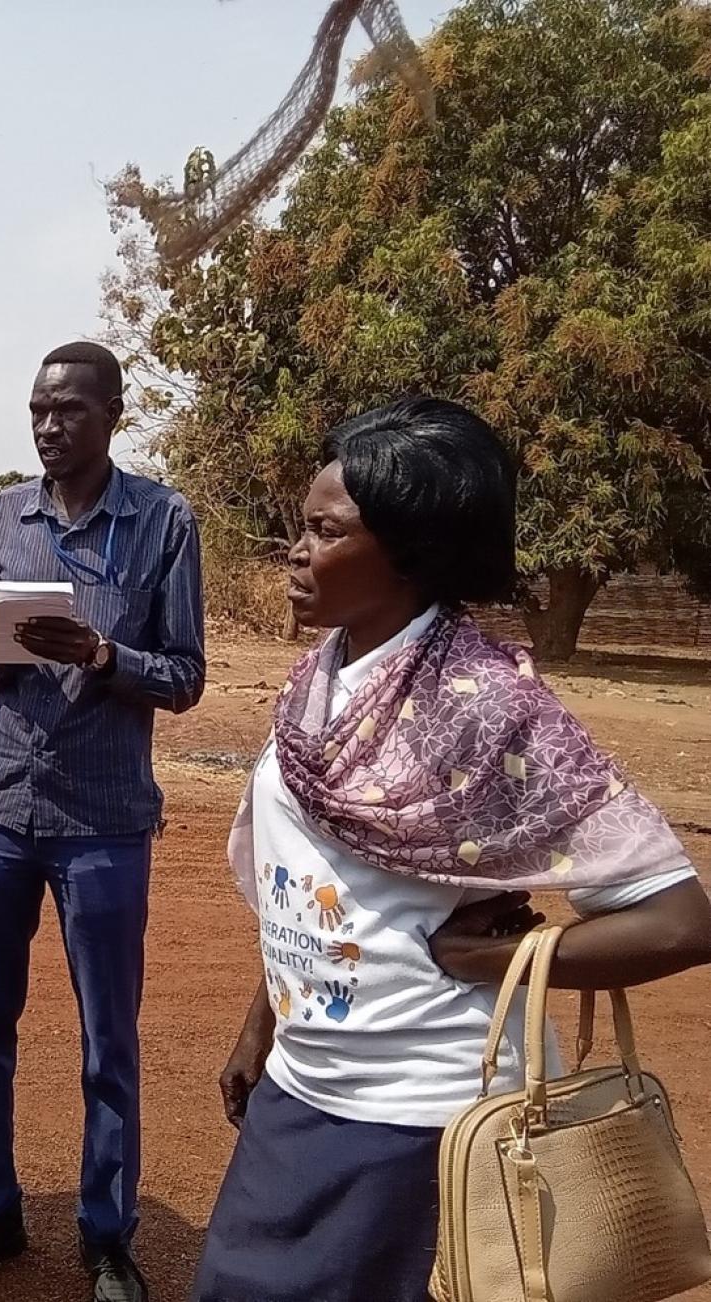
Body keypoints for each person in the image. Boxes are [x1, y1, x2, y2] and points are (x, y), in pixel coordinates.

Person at [190, 397, 711, 1302]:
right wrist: (261, 1027)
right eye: (300, 527)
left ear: (409, 551)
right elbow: (314, 888)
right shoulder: (319, 682)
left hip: (431, 1123)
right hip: (302, 1092)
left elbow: (679, 922)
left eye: (325, 531)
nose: (296, 550)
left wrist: (507, 956)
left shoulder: (489, 712)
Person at [0, 341, 206, 1302]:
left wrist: (99, 654)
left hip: (106, 819)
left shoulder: (162, 520)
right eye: (38, 410)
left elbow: (187, 676)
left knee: (107, 1038)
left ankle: (107, 1232)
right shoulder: (5, 514)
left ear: (113, 414)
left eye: (70, 410)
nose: (48, 426)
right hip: (2, 802)